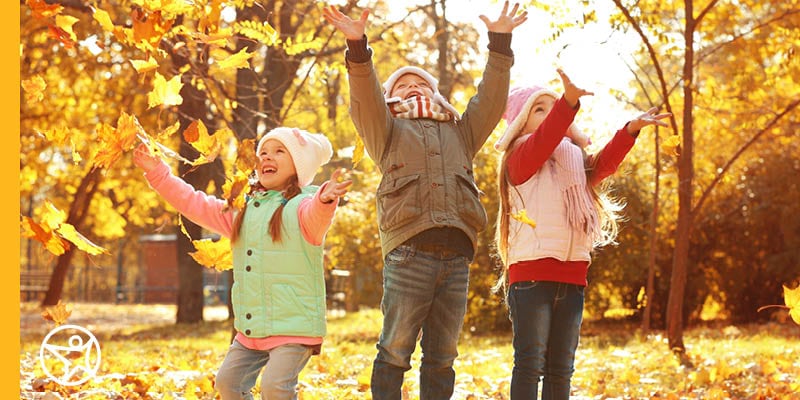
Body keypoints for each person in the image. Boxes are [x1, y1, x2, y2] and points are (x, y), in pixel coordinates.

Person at [323, 2, 527, 399]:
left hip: (456, 257)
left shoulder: (460, 132)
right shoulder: (386, 131)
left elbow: (489, 100)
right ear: (390, 96)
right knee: (395, 350)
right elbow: (364, 96)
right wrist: (357, 46)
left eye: (421, 83)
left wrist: (500, 45)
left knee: (443, 355)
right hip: (409, 252)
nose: (413, 87)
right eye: (402, 85)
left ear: (434, 92)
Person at [133, 127, 352, 400]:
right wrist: (158, 172)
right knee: (228, 384)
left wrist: (325, 199)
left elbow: (316, 213)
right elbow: (194, 203)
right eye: (263, 153)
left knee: (275, 388)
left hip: (294, 326)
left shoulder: (302, 207)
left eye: (279, 151)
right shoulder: (242, 210)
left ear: (299, 165)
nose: (267, 157)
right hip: (252, 328)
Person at [493, 69, 671, 399]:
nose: (549, 116)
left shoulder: (573, 159)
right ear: (520, 121)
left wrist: (629, 130)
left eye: (552, 108)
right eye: (539, 109)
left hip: (573, 276)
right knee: (530, 364)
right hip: (531, 276)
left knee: (562, 368)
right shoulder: (520, 158)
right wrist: (567, 103)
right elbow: (544, 139)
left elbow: (603, 165)